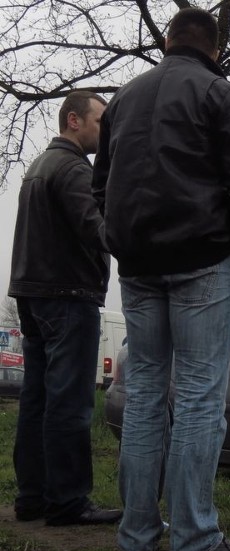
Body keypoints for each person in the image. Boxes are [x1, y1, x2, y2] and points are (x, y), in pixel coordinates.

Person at [92, 7, 230, 551]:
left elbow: (101, 186)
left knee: (143, 397)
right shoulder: (219, 91)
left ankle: (136, 538)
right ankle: (194, 538)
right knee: (197, 399)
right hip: (204, 260)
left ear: (167, 40)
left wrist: (118, 240)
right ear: (214, 47)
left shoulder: (122, 98)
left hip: (139, 267)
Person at [8, 91, 122, 526]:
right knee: (70, 402)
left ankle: (32, 496)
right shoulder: (73, 168)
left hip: (33, 294)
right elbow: (99, 230)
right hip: (67, 295)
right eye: (100, 121)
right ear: (74, 120)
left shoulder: (39, 166)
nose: (104, 129)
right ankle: (68, 500)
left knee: (36, 398)